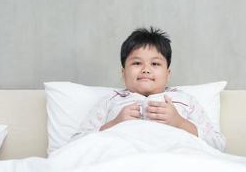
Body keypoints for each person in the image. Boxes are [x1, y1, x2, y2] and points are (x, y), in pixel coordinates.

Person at [71, 27, 225, 151]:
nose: (146, 69)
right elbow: (75, 145)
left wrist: (179, 122)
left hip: (175, 160)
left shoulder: (184, 100)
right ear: (123, 73)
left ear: (167, 73)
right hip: (121, 159)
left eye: (155, 64)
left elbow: (218, 144)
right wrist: (114, 123)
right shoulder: (111, 101)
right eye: (137, 63)